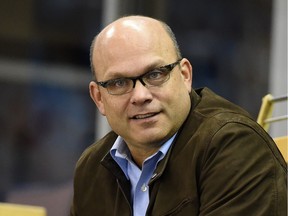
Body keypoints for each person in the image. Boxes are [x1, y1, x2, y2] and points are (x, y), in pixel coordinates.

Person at [70, 15, 287, 216]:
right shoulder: (91, 168)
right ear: (99, 98)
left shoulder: (235, 145)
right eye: (119, 83)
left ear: (185, 76)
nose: (140, 95)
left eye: (155, 74)